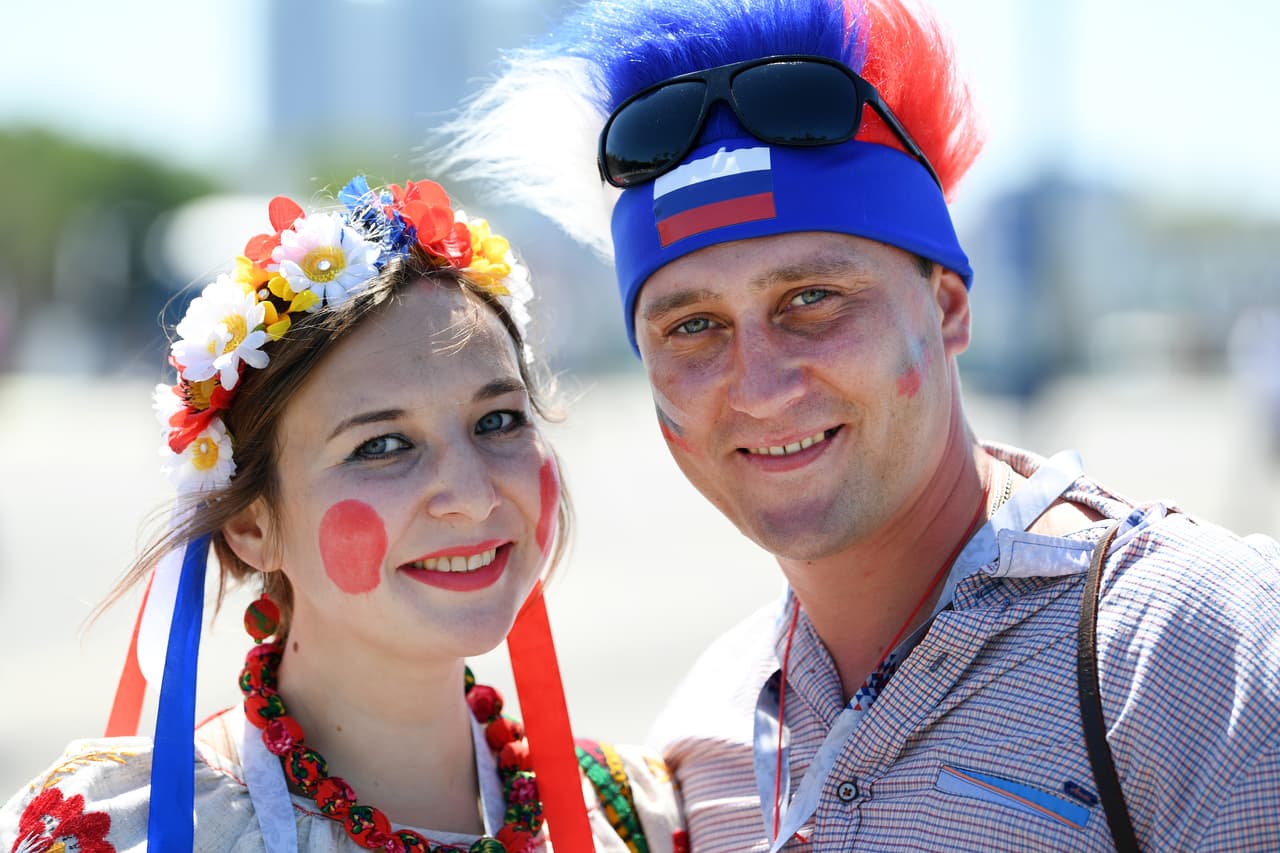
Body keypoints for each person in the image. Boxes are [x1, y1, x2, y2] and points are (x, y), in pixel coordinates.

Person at [434, 0, 1280, 849]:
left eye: (813, 299)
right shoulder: (705, 741)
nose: (758, 388)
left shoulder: (1196, 650)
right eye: (693, 326)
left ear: (947, 307)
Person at [0, 176, 684, 852]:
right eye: (382, 445)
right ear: (251, 525)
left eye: (498, 419)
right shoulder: (124, 832)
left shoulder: (640, 813)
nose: (473, 495)